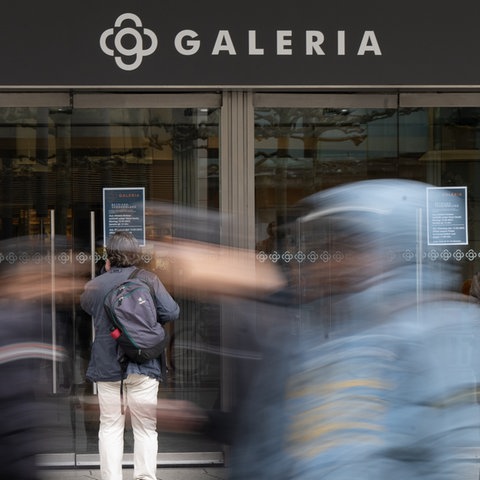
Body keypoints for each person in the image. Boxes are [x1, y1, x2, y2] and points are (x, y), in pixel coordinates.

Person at [213, 179, 480, 480]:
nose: (332, 257)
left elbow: (454, 458)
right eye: (331, 244)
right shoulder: (333, 336)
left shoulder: (440, 333)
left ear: (393, 248)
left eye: (351, 245)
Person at [80, 231, 180, 480]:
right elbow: (172, 312)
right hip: (144, 362)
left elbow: (86, 306)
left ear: (108, 257)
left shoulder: (97, 284)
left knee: (110, 426)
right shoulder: (149, 279)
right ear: (136, 255)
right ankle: (145, 477)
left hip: (107, 365)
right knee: (146, 427)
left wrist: (105, 273)